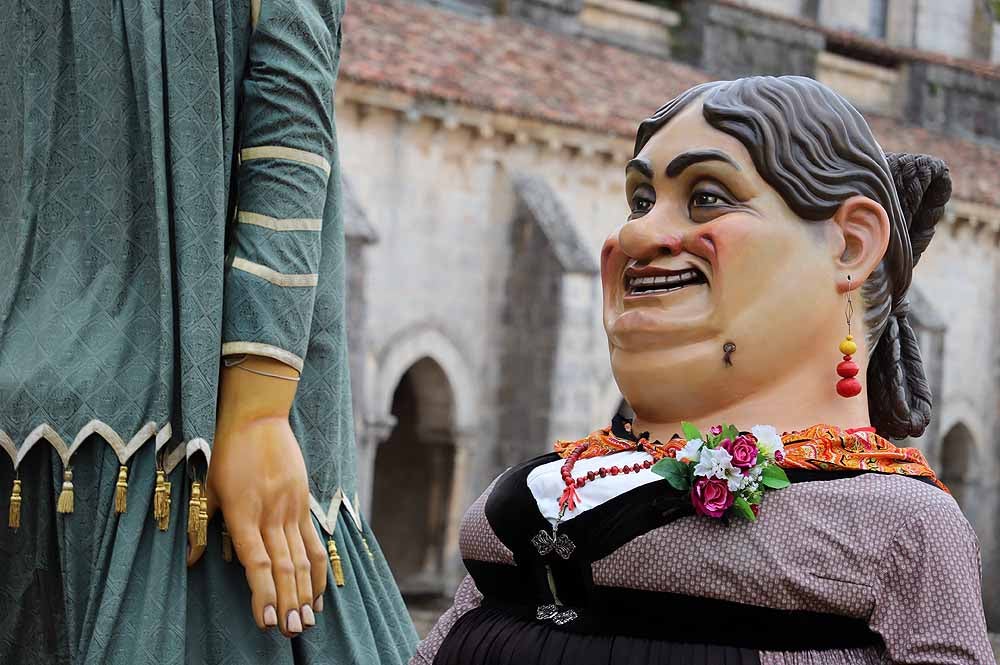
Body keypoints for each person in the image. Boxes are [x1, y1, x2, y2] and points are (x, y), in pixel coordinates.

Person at [411, 76, 995, 665]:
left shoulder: (902, 526)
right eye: (640, 201)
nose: (637, 233)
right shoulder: (544, 492)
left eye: (707, 196)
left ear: (848, 246)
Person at [0, 1, 417, 663]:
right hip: (162, 433)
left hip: (172, 441)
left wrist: (256, 409)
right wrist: (258, 406)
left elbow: (289, 108)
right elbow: (289, 113)